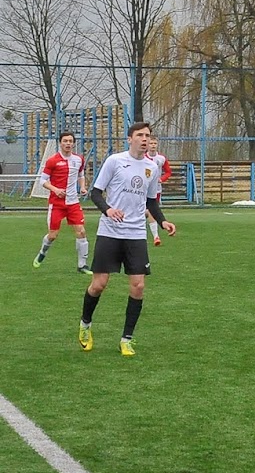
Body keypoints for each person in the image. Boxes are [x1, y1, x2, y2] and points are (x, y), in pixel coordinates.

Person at [79, 122, 176, 357]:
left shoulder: (151, 167)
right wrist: (108, 210)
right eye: (140, 135)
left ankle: (126, 339)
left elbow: (152, 201)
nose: (145, 139)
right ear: (129, 138)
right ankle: (85, 325)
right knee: (99, 284)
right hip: (110, 232)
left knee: (138, 286)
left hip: (135, 234)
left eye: (148, 135)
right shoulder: (115, 161)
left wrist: (162, 222)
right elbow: (95, 192)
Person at [32, 131, 92, 274]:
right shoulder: (53, 160)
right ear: (60, 143)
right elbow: (42, 181)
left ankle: (82, 265)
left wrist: (82, 187)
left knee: (81, 231)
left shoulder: (79, 159)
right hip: (57, 204)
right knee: (53, 235)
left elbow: (81, 175)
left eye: (70, 141)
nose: (68, 143)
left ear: (73, 143)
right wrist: (55, 189)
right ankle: (42, 253)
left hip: (73, 203)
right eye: (65, 141)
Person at [145, 135, 172, 246]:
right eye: (151, 143)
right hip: (143, 189)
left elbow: (168, 172)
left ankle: (156, 237)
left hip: (156, 190)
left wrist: (161, 179)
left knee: (151, 210)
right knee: (146, 211)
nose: (153, 146)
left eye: (155, 143)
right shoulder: (143, 158)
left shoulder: (161, 158)